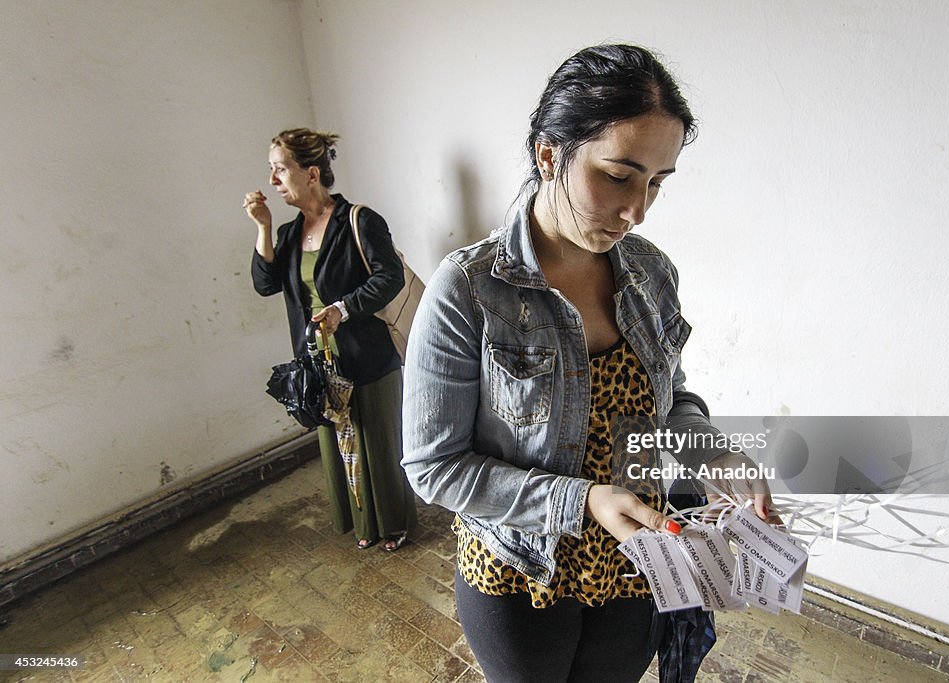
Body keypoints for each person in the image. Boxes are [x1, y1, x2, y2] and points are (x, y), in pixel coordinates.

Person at [402, 45, 778, 682]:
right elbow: (434, 467)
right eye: (618, 175)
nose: (637, 211)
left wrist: (709, 450)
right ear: (551, 156)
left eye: (657, 183)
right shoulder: (469, 290)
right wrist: (581, 503)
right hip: (522, 571)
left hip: (639, 556)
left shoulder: (651, 272)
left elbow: (670, 399)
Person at [246, 128, 417, 552]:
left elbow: (389, 277)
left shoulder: (359, 220)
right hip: (318, 365)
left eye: (280, 168)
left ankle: (393, 524)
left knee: (377, 442)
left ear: (311, 173)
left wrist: (343, 308)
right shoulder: (288, 234)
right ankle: (362, 523)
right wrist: (264, 228)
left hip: (367, 355)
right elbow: (264, 284)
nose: (273, 180)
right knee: (338, 447)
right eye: (271, 170)